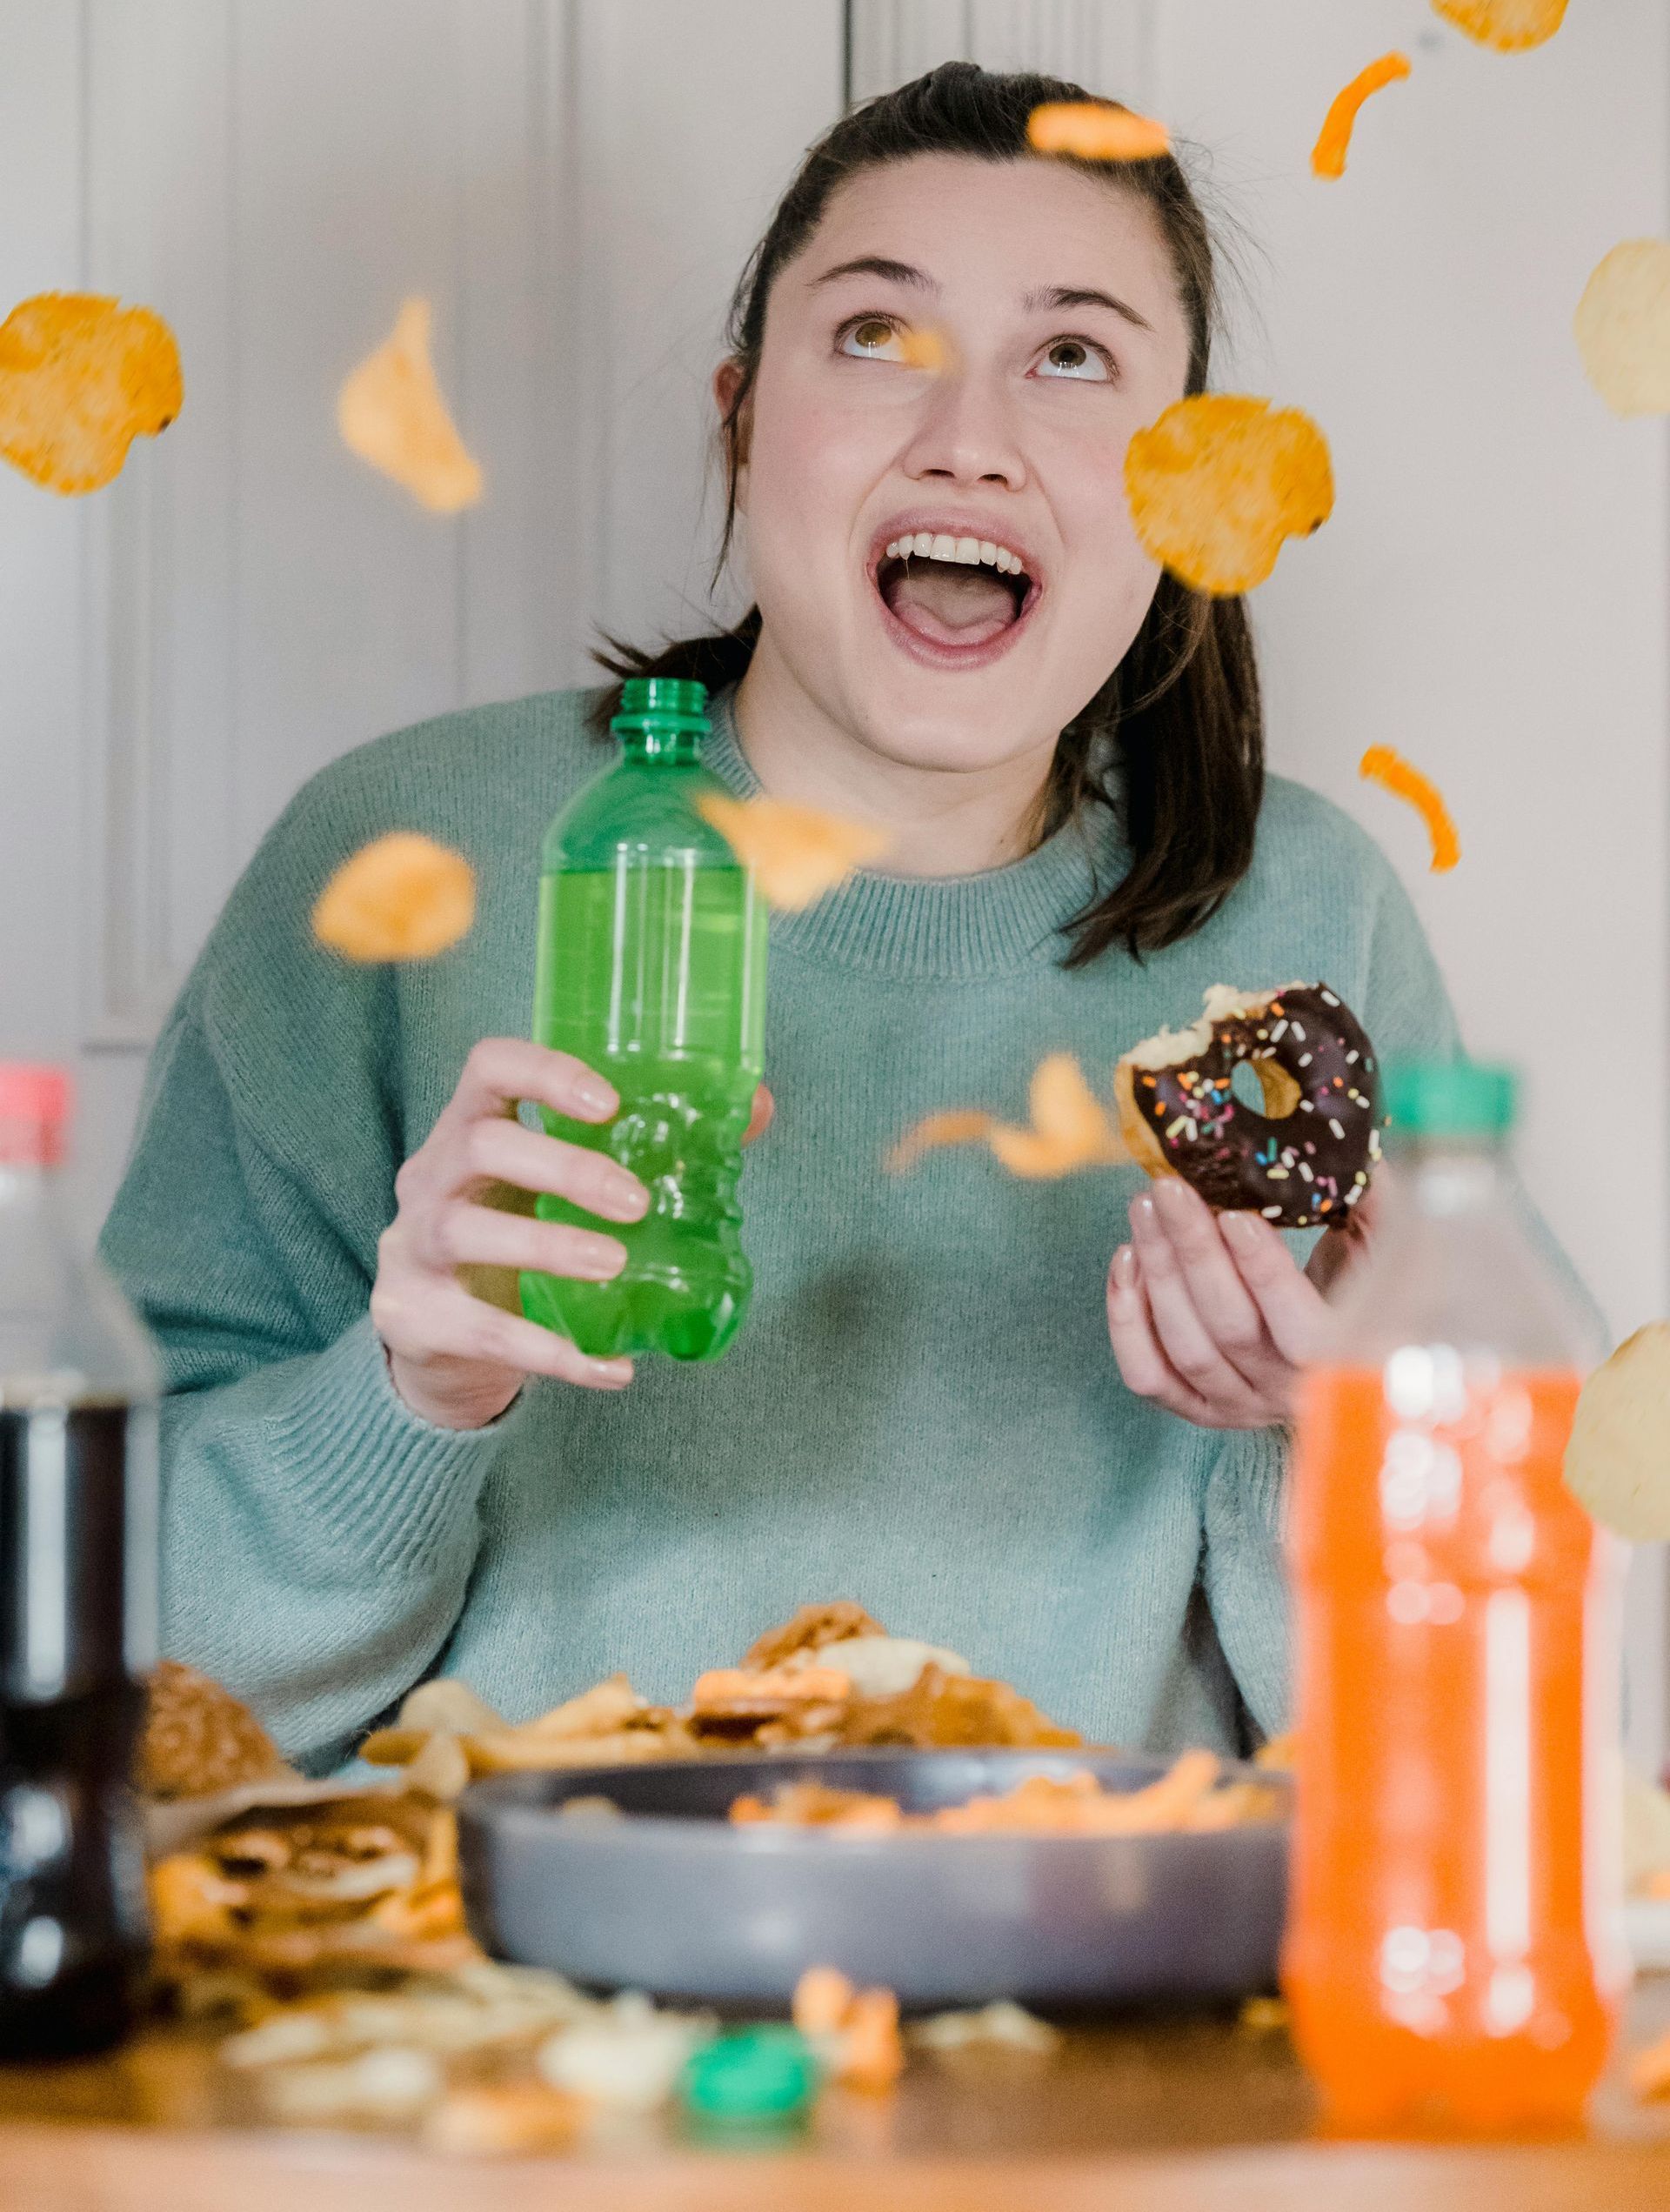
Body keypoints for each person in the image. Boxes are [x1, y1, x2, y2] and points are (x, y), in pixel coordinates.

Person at [101, 63, 1460, 1771]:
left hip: (1102, 1999)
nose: (969, 435)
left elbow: (1463, 1747)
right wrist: (407, 1400)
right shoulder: (401, 861)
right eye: (879, 336)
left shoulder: (1306, 916)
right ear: (741, 416)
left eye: (1072, 356)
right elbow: (119, 1676)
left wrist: (1312, 1441)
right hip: (483, 2002)